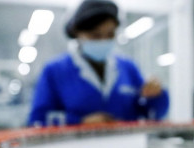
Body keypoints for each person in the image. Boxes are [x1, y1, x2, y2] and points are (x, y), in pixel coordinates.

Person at [28, 0, 169, 126]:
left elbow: (151, 113)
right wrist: (79, 121)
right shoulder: (54, 71)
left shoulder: (128, 67)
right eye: (95, 35)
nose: (103, 41)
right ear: (77, 33)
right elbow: (37, 119)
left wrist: (156, 96)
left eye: (110, 34)